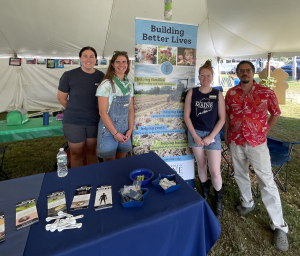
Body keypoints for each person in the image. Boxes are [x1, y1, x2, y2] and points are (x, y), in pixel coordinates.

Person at [224, 60, 289, 251]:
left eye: (248, 71)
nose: (245, 73)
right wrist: (228, 136)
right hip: (236, 140)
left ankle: (279, 226)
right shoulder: (231, 93)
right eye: (241, 71)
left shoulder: (266, 93)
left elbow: (275, 113)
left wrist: (264, 131)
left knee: (266, 180)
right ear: (237, 73)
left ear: (253, 73)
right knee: (240, 174)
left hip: (257, 143)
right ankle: (247, 201)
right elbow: (228, 116)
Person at [184, 60, 226, 219]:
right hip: (195, 133)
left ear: (212, 77)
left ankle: (218, 199)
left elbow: (222, 119)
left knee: (215, 171)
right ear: (199, 76)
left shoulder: (217, 94)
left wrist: (211, 136)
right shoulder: (192, 93)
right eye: (203, 75)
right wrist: (195, 135)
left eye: (208, 75)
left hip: (212, 135)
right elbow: (187, 116)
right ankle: (205, 193)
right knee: (201, 164)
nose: (205, 78)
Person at [57, 46, 104, 168]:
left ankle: (93, 179)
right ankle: (77, 183)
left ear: (95, 59)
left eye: (91, 56)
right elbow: (61, 98)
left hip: (94, 121)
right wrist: (75, 108)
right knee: (76, 154)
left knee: (92, 152)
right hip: (74, 122)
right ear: (80, 58)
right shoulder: (69, 75)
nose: (88, 59)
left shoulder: (101, 76)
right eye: (85, 56)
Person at [96, 51, 134, 162]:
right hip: (108, 131)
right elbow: (102, 112)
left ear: (128, 64)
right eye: (117, 62)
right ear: (112, 64)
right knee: (110, 166)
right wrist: (115, 133)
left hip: (125, 130)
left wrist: (130, 129)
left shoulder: (129, 85)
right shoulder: (106, 84)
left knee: (121, 163)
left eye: (124, 62)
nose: (121, 65)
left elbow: (131, 109)